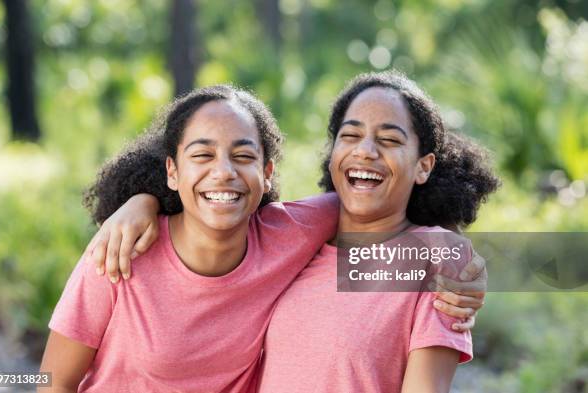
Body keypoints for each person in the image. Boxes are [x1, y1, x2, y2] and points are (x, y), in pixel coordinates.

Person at [82, 71, 498, 392]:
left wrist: (452, 246)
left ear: (423, 165)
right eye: (349, 136)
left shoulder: (434, 260)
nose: (365, 151)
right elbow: (216, 199)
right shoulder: (295, 240)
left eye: (389, 140)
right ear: (333, 153)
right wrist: (143, 200)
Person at [39, 85, 340, 392]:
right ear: (172, 171)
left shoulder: (288, 235)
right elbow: (52, 383)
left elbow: (369, 203)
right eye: (202, 154)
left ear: (266, 172)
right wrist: (142, 200)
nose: (223, 171)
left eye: (243, 155)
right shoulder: (120, 251)